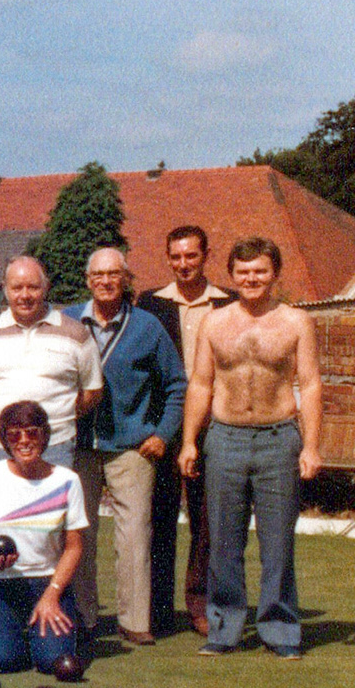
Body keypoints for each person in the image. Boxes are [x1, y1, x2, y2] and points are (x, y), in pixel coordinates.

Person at [178, 237, 322, 659]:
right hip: (225, 438)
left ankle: (279, 630)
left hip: (279, 438)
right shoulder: (215, 323)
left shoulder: (296, 322)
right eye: (243, 272)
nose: (251, 279)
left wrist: (310, 446)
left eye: (260, 271)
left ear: (274, 273)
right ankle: (223, 629)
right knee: (223, 540)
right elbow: (201, 383)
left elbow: (311, 385)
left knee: (278, 542)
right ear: (232, 275)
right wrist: (189, 441)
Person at [63, 247, 185, 645]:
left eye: (114, 274)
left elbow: (175, 385)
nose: (105, 281)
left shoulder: (147, 326)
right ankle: (83, 617)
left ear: (126, 278)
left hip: (132, 447)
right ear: (87, 280)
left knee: (134, 536)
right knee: (79, 533)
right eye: (98, 274)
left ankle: (135, 620)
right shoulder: (65, 321)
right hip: (78, 445)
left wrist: (162, 434)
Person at [136, 225, 234, 638]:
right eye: (175, 257)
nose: (183, 265)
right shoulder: (150, 303)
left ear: (205, 255)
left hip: (215, 425)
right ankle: (157, 610)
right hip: (165, 426)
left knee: (207, 522)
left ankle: (201, 604)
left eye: (191, 256)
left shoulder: (228, 304)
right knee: (157, 518)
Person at [0, 401, 88, 674]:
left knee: (51, 663)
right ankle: (14, 629)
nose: (24, 441)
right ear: (5, 439)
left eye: (32, 433)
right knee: (2, 660)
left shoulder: (67, 480)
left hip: (47, 582)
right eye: (14, 434)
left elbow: (74, 547)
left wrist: (52, 594)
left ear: (44, 436)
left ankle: (58, 623)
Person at [0, 256, 102, 469]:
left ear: (46, 288)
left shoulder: (77, 334)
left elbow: (92, 391)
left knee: (53, 504)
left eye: (33, 287)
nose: (25, 295)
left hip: (55, 446)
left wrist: (58, 417)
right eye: (17, 288)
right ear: (5, 289)